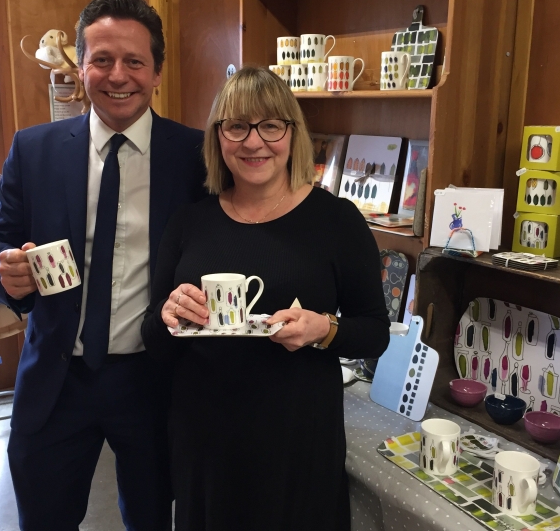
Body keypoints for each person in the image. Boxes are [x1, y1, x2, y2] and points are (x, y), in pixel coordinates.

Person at [0, 0, 207, 529]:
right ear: (81, 65)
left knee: (152, 518)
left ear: (157, 71)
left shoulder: (195, 156)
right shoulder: (34, 150)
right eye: (101, 59)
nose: (117, 75)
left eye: (134, 61)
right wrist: (3, 273)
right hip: (57, 380)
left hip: (153, 378)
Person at [141, 66, 390, 531]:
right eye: (236, 126)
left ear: (293, 134)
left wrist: (324, 330)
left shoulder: (337, 220)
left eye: (271, 125)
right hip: (204, 438)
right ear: (218, 137)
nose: (254, 142)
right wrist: (169, 315)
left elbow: (375, 333)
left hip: (297, 440)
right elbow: (153, 336)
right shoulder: (189, 222)